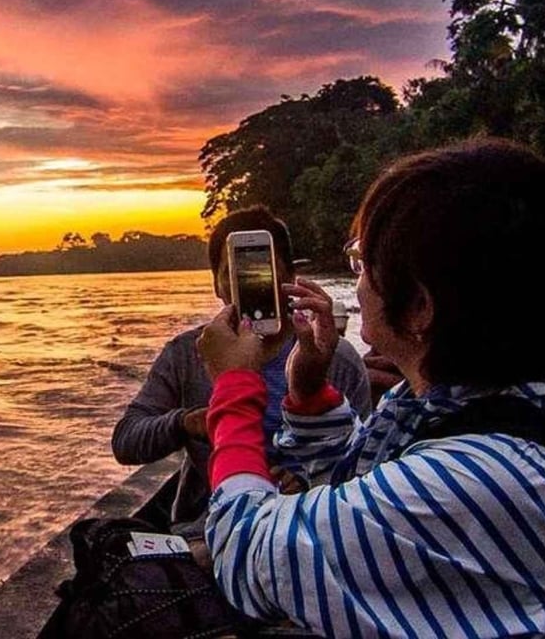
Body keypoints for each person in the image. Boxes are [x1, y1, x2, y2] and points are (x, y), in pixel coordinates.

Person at [197, 140, 545, 637]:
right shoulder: (528, 399)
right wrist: (310, 390)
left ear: (419, 308)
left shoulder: (479, 479)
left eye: (363, 264)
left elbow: (247, 552)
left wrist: (234, 386)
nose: (358, 285)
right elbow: (359, 487)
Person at [110, 205, 372, 538]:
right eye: (230, 274)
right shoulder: (189, 354)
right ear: (217, 286)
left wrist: (307, 481)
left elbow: (363, 467)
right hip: (204, 529)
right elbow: (126, 441)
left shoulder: (333, 358)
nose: (244, 286)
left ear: (290, 278)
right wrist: (186, 422)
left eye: (260, 272)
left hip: (309, 527)